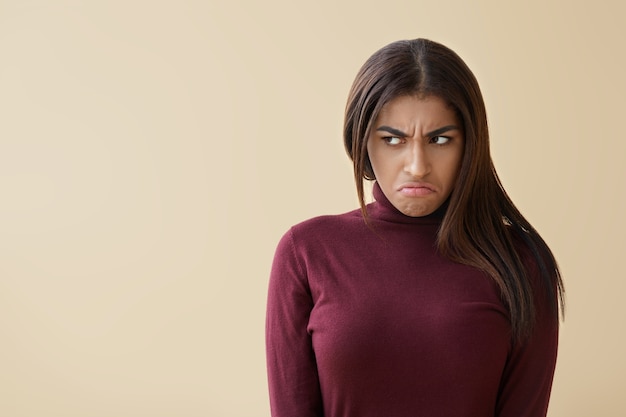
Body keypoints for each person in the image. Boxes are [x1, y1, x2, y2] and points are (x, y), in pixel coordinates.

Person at [265, 38, 564, 417]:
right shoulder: (305, 252)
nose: (417, 165)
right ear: (361, 144)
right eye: (393, 139)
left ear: (469, 145)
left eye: (440, 139)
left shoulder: (522, 263)